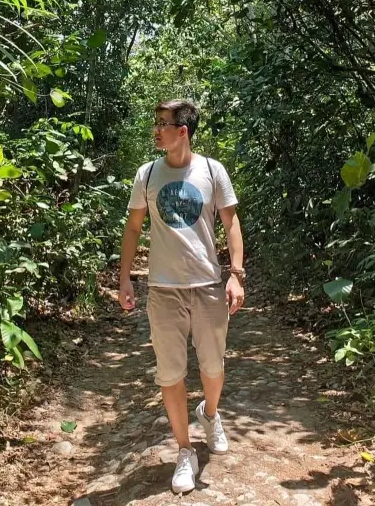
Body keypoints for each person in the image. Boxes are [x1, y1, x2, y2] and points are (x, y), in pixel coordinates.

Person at [118, 99, 245, 494]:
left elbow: (231, 221)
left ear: (182, 131)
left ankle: (209, 413)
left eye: (163, 124)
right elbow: (134, 227)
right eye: (155, 122)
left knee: (213, 367)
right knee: (170, 373)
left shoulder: (211, 170)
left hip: (207, 287)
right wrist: (124, 277)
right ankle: (185, 450)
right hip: (163, 290)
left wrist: (235, 274)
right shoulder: (147, 174)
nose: (156, 130)